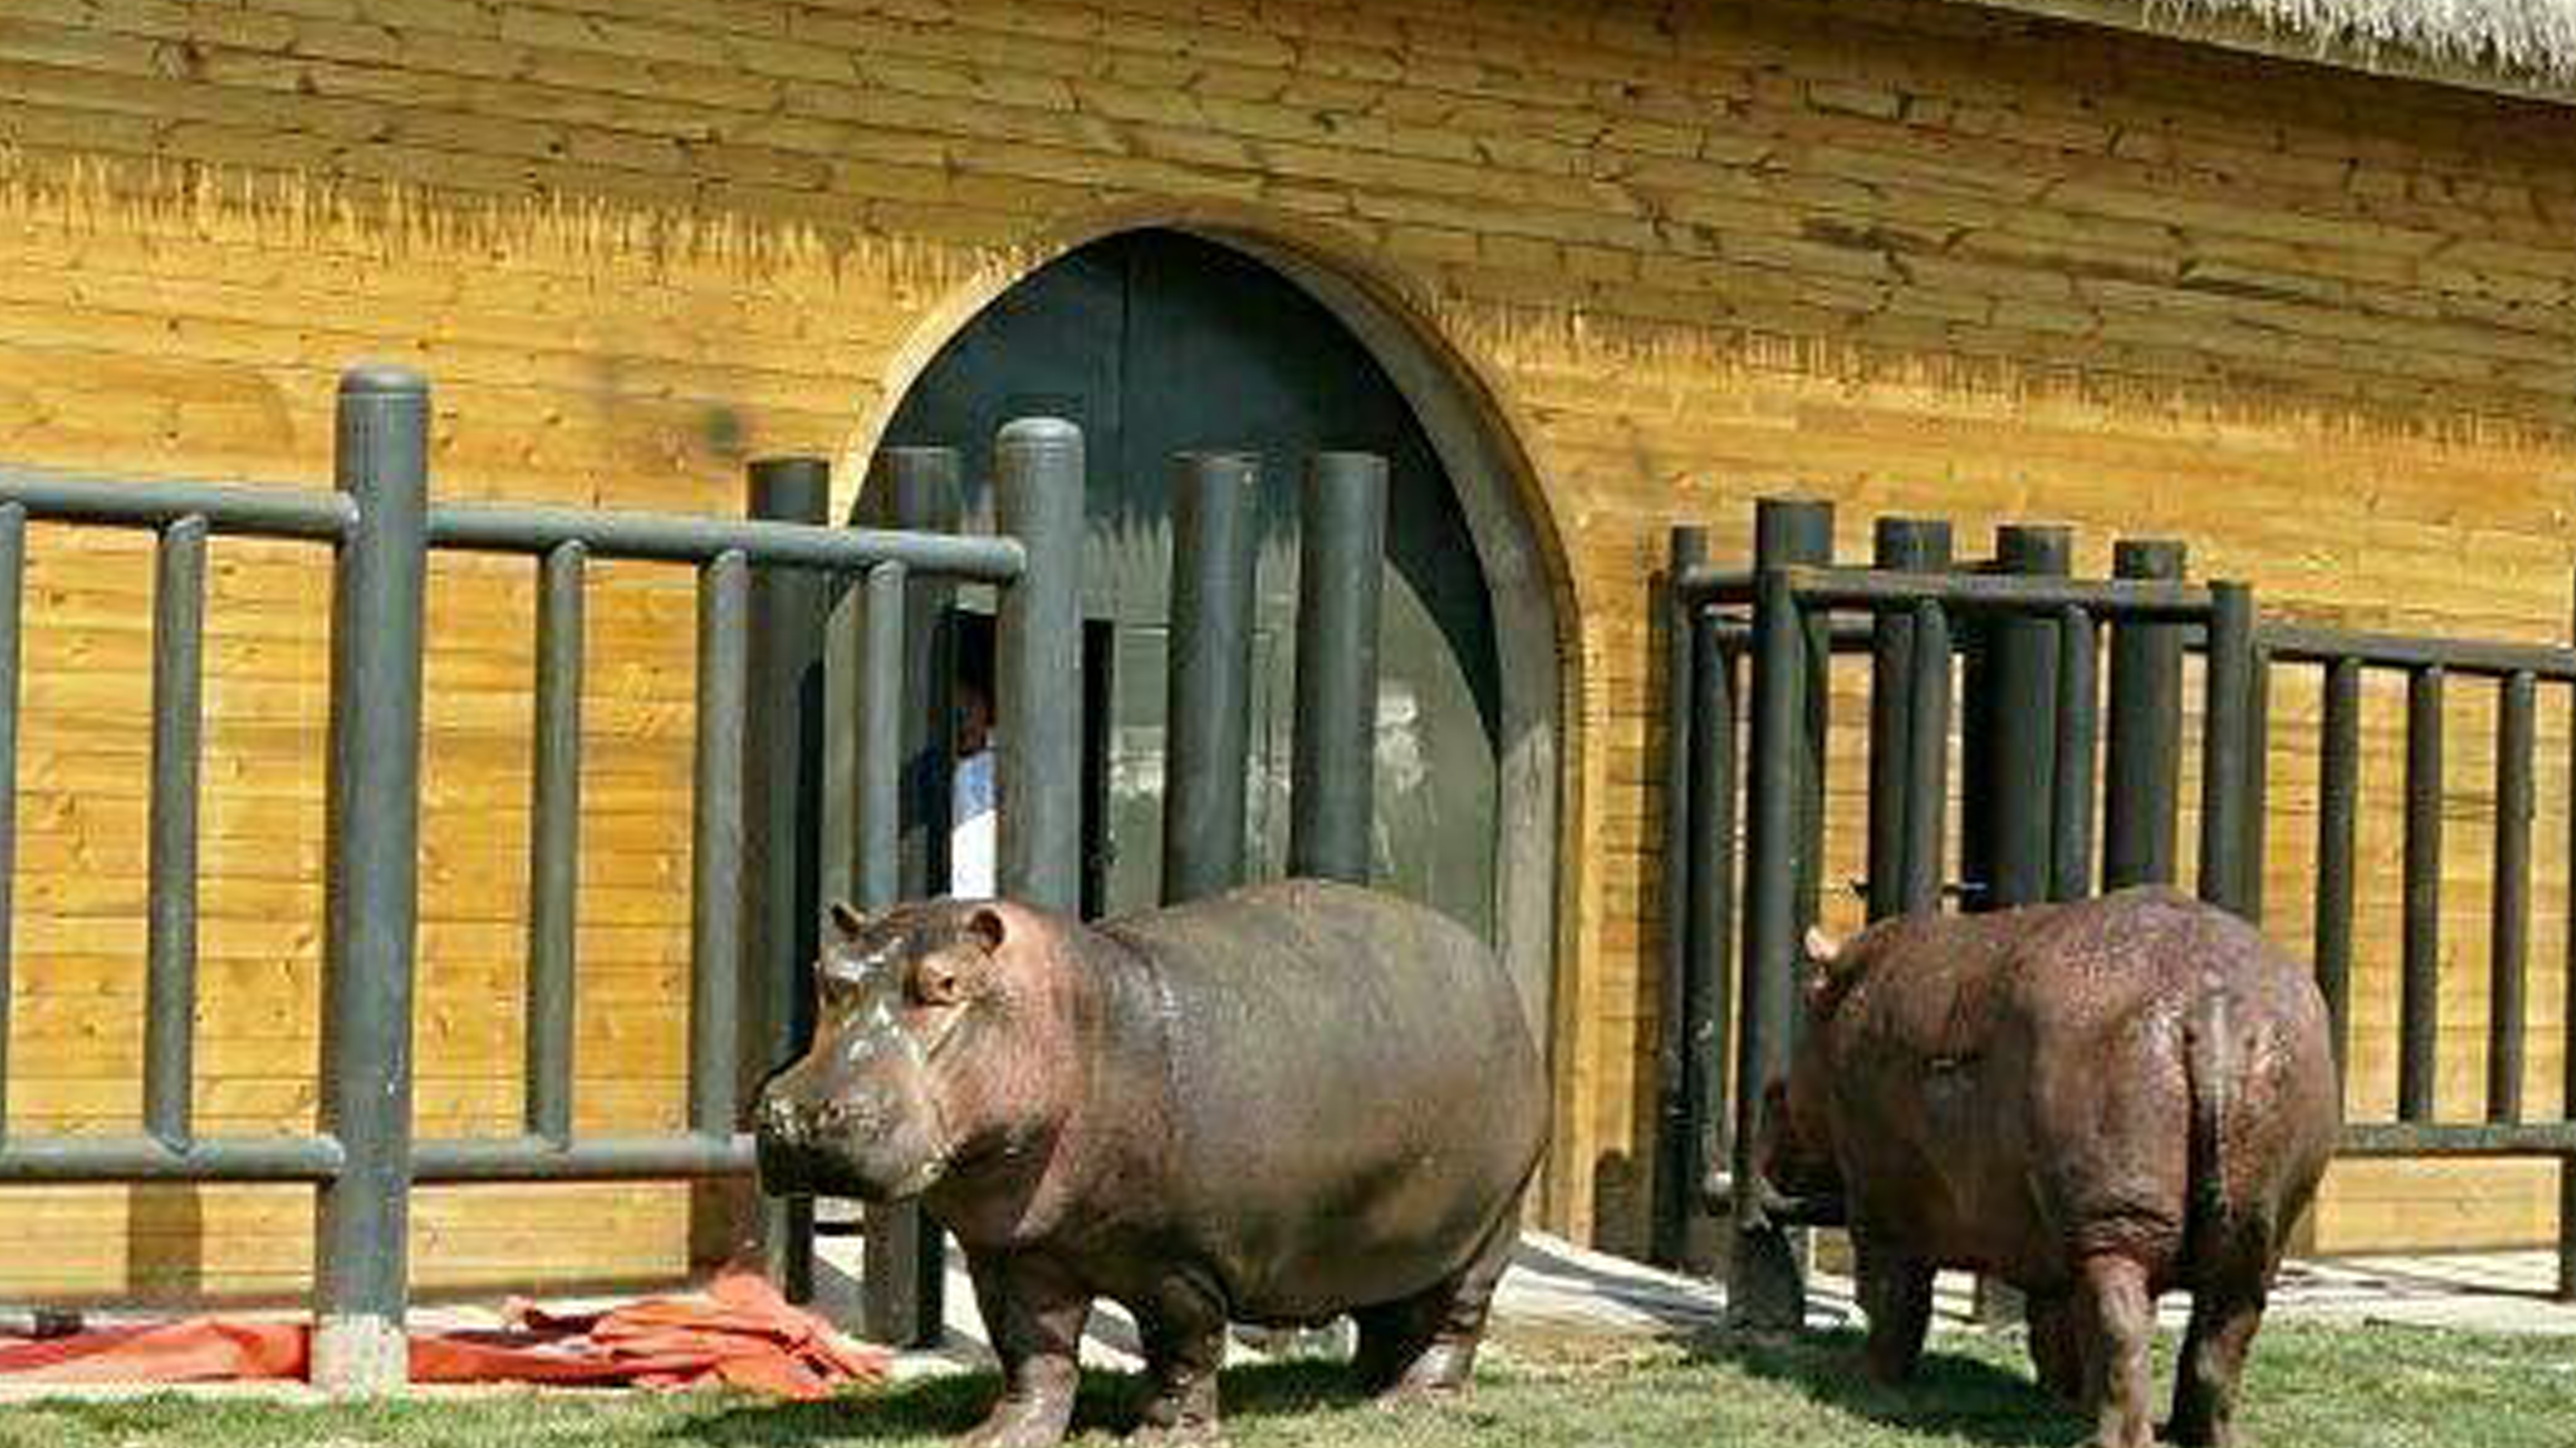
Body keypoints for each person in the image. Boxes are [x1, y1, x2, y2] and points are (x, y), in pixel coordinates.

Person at [949, 624, 998, 899]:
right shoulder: (933, 766)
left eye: (969, 705)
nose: (963, 718)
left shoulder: (1013, 763)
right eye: (956, 709)